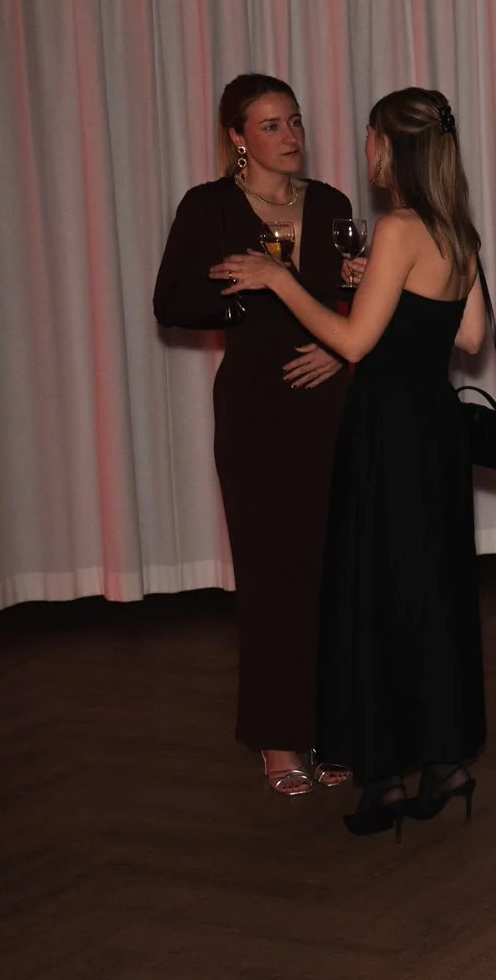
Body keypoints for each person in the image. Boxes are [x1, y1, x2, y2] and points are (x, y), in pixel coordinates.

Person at [218, 87, 489, 841]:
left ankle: (387, 780)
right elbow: (469, 336)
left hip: (388, 431)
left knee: (378, 595)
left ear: (387, 145)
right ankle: (446, 764)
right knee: (432, 592)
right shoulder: (452, 228)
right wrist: (386, 282)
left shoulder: (400, 224)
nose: (363, 151)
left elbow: (354, 344)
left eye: (369, 138)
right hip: (436, 429)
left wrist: (278, 280)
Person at [152, 73, 356, 797]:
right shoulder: (208, 207)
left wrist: (342, 347)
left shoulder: (330, 203)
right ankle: (276, 735)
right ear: (238, 136)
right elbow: (171, 301)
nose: (289, 135)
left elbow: (362, 297)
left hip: (333, 398)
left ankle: (337, 722)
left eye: (294, 119)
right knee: (270, 571)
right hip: (255, 408)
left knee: (334, 568)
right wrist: (252, 300)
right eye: (270, 124)